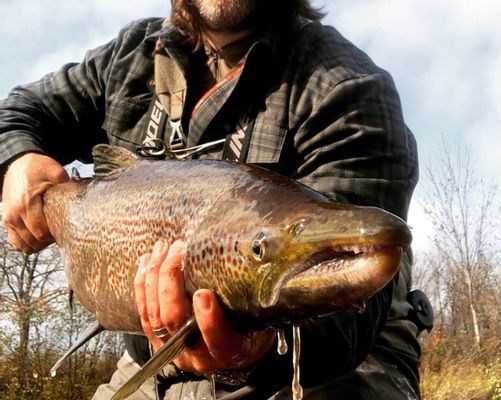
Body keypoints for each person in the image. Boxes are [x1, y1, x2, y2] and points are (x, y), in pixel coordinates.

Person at [0, 0, 421, 399]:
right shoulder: (129, 60)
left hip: (329, 366)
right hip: (152, 362)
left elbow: (352, 320)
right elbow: (16, 112)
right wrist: (17, 160)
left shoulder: (346, 85)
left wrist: (250, 349)